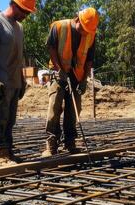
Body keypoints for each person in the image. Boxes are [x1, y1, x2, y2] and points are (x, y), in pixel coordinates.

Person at [0, 0, 36, 165]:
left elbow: (18, 58)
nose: (26, 15)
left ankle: (9, 151)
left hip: (14, 82)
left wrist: (22, 80)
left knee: (10, 120)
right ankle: (1, 153)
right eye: (25, 11)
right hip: (1, 82)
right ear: (15, 5)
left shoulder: (19, 28)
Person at [41, 8, 99, 157]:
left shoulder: (91, 34)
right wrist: (59, 69)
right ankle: (51, 143)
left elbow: (89, 60)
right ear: (77, 19)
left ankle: (70, 141)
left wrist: (84, 80)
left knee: (74, 109)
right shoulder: (59, 27)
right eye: (83, 29)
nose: (84, 33)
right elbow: (51, 48)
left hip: (77, 76)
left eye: (88, 31)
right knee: (55, 105)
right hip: (58, 73)